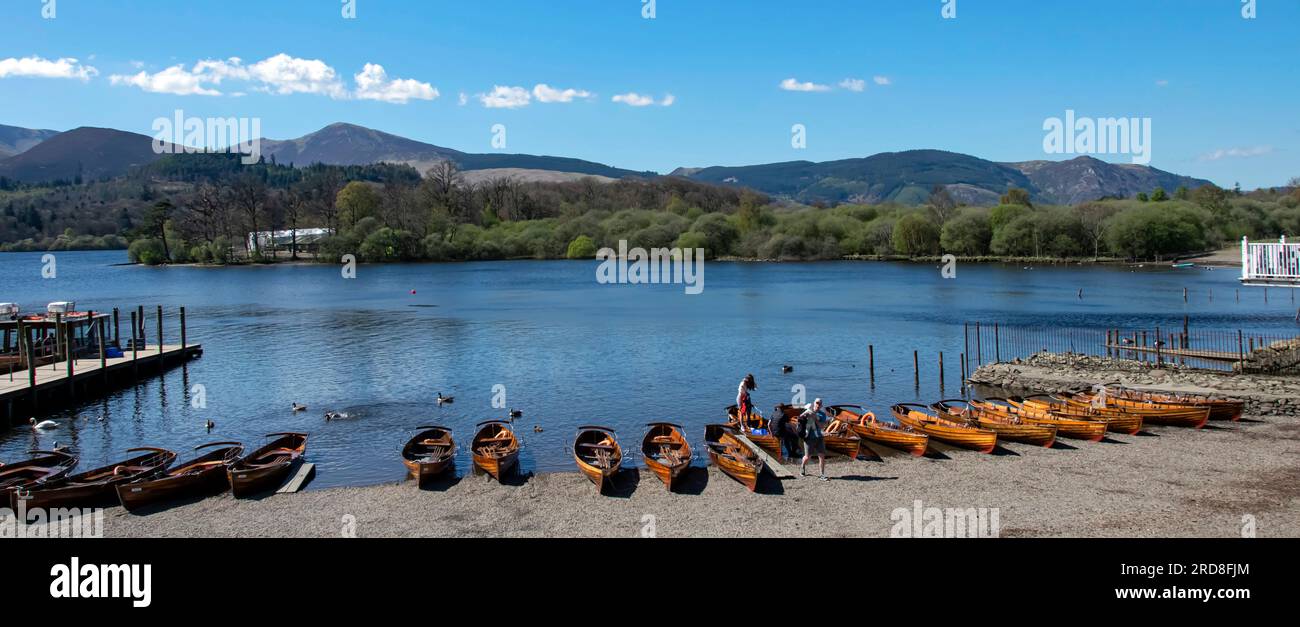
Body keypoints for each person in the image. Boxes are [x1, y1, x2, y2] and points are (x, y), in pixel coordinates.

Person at [798, 398, 829, 481]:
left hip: (819, 437)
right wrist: (805, 415)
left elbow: (821, 426)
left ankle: (822, 474)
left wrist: (815, 418)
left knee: (822, 456)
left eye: (820, 404)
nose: (818, 405)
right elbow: (800, 419)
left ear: (821, 405)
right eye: (817, 403)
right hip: (809, 438)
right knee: (807, 457)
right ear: (814, 403)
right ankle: (802, 467)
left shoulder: (822, 414)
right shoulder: (808, 411)